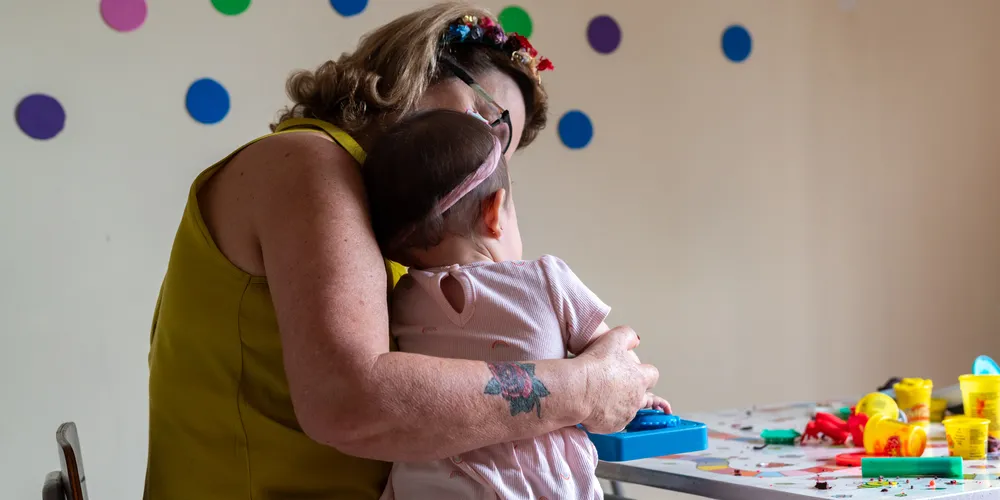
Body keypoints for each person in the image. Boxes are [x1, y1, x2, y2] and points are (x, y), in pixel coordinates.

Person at [144, 3, 659, 499]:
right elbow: (349, 401)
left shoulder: (397, 235)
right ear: (412, 70)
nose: (483, 158)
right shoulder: (306, 162)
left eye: (500, 152)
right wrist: (584, 387)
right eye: (485, 117)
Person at [363, 108, 673, 499]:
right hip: (536, 485)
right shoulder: (546, 280)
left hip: (425, 484)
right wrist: (640, 395)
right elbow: (613, 368)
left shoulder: (400, 299)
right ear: (495, 212)